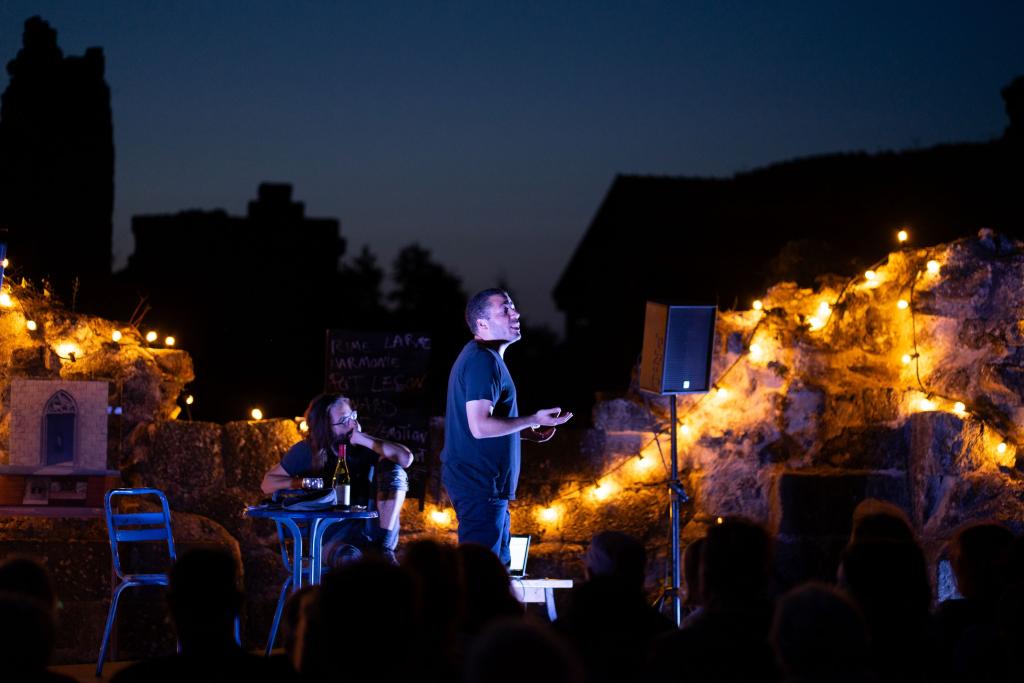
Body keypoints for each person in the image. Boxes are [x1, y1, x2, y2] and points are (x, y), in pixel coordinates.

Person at [441, 288, 573, 564]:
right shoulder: (482, 361)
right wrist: (533, 418)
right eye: (505, 309)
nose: (516, 314)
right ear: (482, 324)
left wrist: (523, 432)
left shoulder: (485, 359)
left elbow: (475, 426)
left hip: (486, 487)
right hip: (480, 485)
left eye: (513, 307)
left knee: (496, 571)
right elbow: (479, 426)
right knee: (481, 573)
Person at [262, 393, 414, 563]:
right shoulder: (308, 451)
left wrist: (362, 439)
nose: (352, 424)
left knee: (393, 467)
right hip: (334, 534)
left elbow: (406, 459)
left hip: (374, 529)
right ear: (325, 427)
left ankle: (384, 550)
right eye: (343, 421)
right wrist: (301, 482)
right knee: (350, 561)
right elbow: (267, 483)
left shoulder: (367, 445)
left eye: (352, 416)